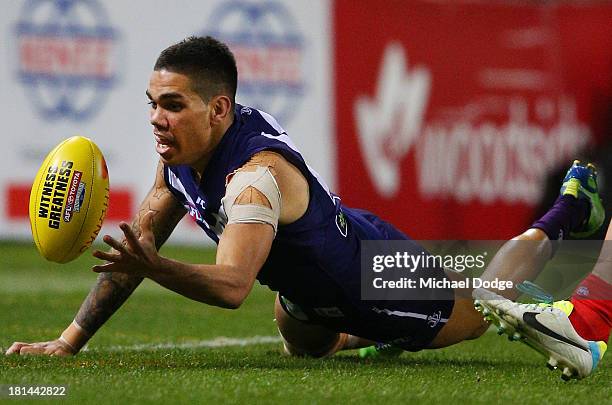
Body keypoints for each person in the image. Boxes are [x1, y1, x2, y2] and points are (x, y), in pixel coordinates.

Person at [5, 36, 610, 380]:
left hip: (379, 274)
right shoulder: (181, 155)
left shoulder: (255, 180)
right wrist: (69, 341)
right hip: (309, 285)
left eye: (171, 104)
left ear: (218, 110)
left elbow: (231, 286)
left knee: (487, 300)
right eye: (151, 103)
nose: (156, 119)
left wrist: (154, 267)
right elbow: (140, 243)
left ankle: (567, 210)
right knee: (300, 338)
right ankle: (332, 318)